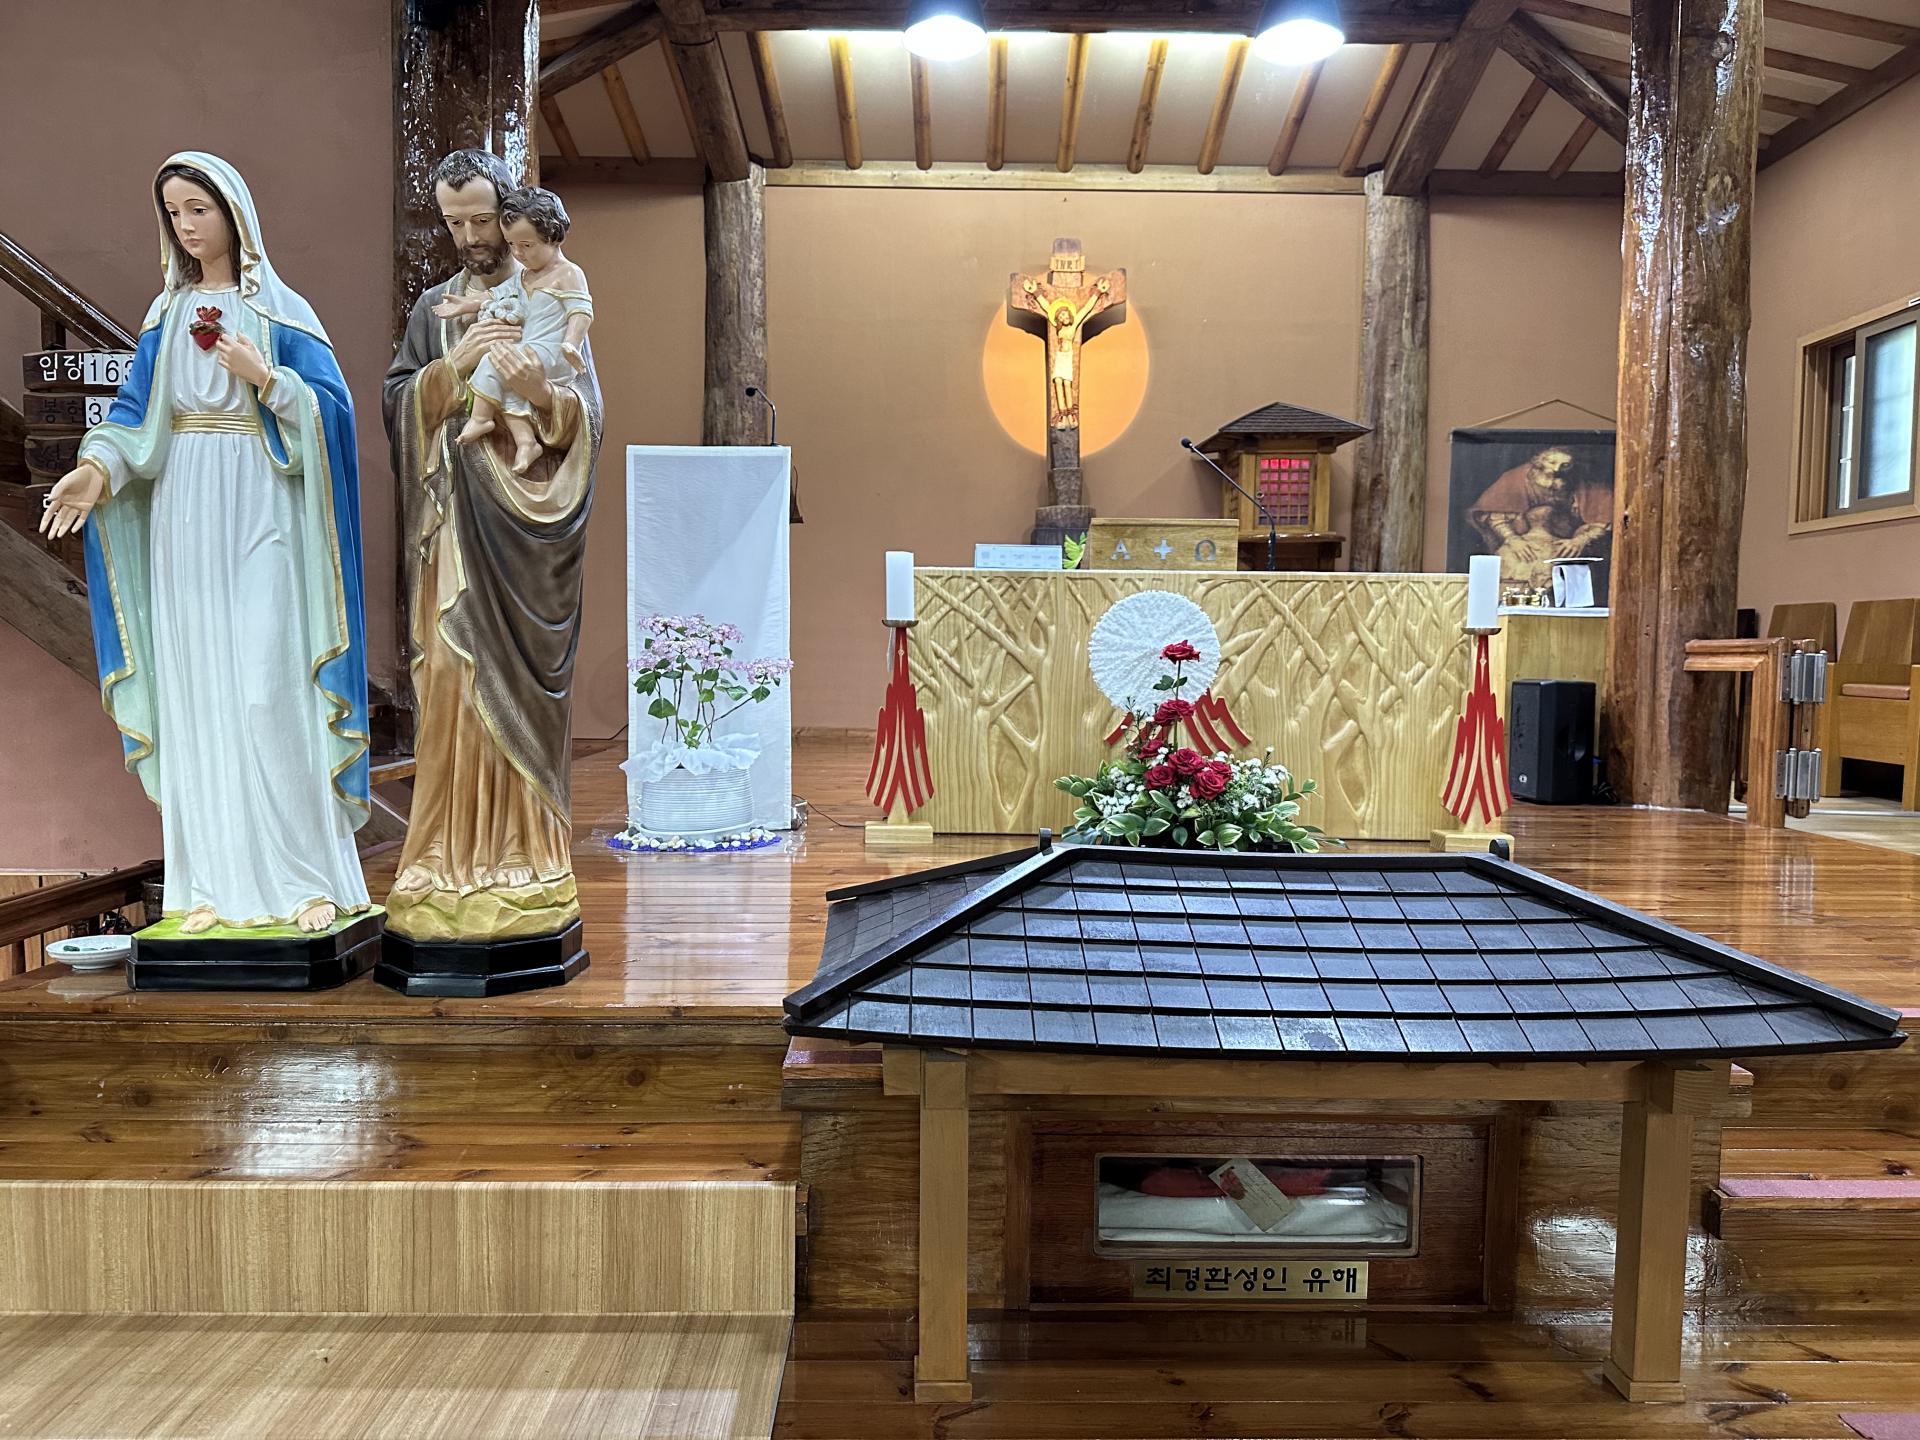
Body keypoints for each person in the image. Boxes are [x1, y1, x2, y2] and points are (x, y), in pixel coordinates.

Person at [38, 152, 370, 935]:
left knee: (266, 688)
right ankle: (210, 887)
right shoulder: (166, 314)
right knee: (200, 694)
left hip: (260, 502)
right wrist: (97, 467)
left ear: (235, 214)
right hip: (184, 508)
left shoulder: (283, 313)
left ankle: (303, 880)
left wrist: (268, 379)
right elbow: (133, 416)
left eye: (199, 209)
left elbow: (333, 418)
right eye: (174, 213)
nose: (187, 227)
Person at [382, 149, 602, 947]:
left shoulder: (550, 288)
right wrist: (455, 366)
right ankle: (442, 858)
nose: (472, 236)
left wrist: (540, 395)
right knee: (450, 676)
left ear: (509, 213)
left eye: (482, 219)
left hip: (525, 544)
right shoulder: (435, 307)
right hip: (451, 535)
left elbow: (587, 413)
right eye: (455, 223)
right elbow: (398, 402)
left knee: (516, 690)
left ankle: (526, 858)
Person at [438, 186, 593, 477]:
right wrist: (464, 305)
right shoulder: (525, 276)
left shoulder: (568, 274)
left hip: (552, 352)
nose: (519, 253)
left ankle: (481, 417)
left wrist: (571, 345)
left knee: (495, 361)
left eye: (526, 245)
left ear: (553, 236)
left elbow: (581, 312)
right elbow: (496, 295)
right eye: (512, 244)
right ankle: (526, 442)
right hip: (530, 349)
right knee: (508, 380)